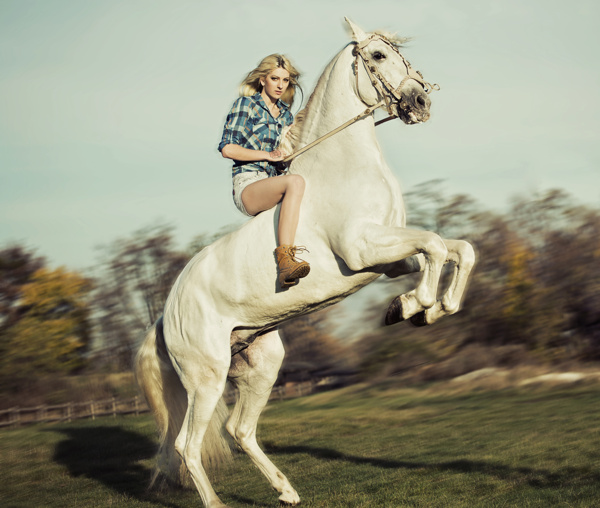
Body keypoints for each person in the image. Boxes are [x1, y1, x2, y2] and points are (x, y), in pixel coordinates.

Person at [218, 54, 310, 289]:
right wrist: (267, 155)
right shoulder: (245, 105)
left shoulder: (286, 115)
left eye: (286, 80)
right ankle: (286, 261)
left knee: (303, 182)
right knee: (296, 183)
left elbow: (283, 160)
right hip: (248, 184)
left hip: (274, 181)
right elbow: (228, 149)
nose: (280, 85)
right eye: (274, 78)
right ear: (262, 79)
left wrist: (286, 152)